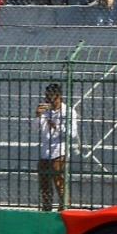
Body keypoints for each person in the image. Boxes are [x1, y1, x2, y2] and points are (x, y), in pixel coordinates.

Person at [35, 83, 77, 211]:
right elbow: (35, 129)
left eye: (49, 96)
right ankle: (46, 209)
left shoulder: (68, 111)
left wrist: (56, 127)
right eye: (46, 96)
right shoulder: (44, 111)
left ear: (57, 96)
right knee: (44, 184)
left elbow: (72, 134)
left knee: (60, 184)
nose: (46, 99)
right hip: (45, 152)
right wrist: (37, 116)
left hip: (59, 152)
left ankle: (63, 209)